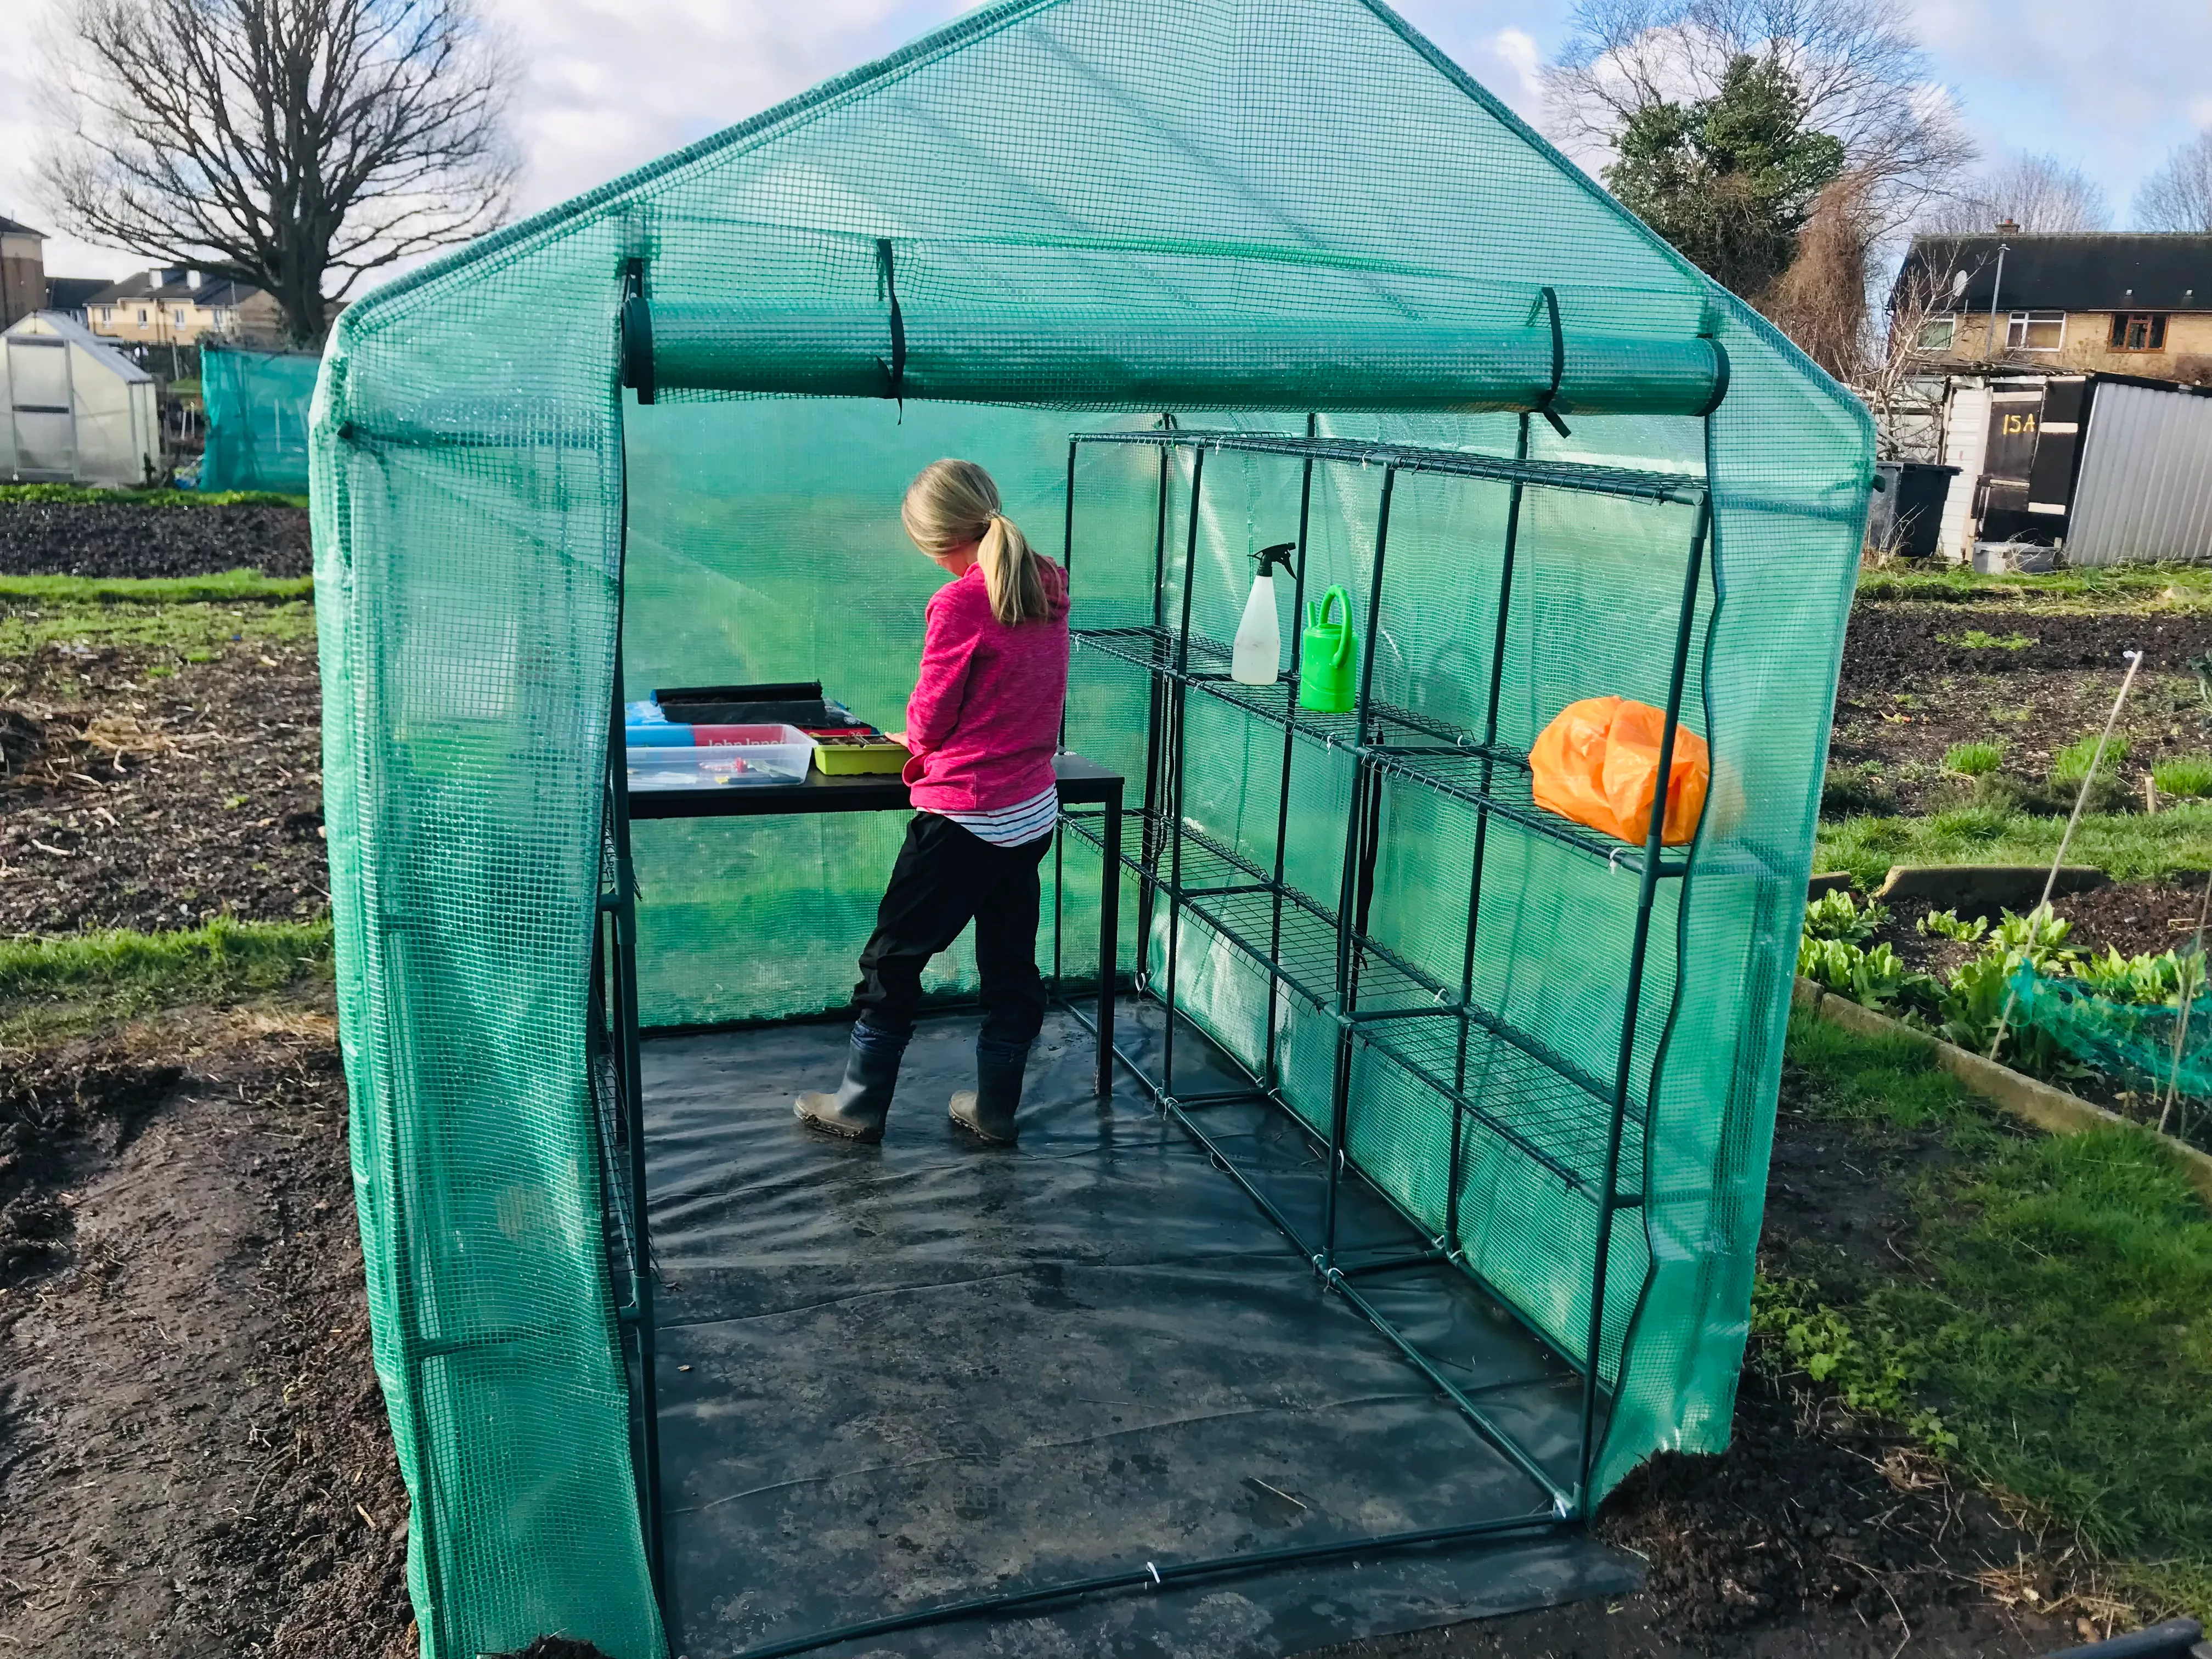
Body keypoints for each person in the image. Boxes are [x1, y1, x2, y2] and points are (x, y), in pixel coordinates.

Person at [796, 459, 1070, 1146]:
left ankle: (859, 1105)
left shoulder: (959, 603)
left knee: (892, 961)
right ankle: (995, 1110)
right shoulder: (1046, 581)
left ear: (933, 540)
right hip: (1030, 810)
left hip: (965, 817)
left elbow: (933, 715)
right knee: (1010, 965)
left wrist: (911, 739)